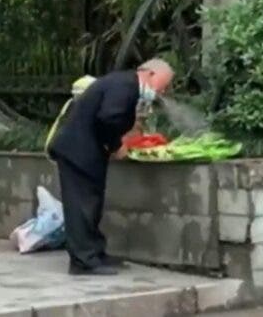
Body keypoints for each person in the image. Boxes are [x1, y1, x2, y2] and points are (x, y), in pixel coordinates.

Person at [48, 59, 174, 275]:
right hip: (77, 152)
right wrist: (116, 145)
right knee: (81, 207)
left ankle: (95, 253)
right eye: (164, 84)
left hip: (86, 153)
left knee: (92, 204)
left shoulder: (125, 84)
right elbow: (108, 118)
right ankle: (83, 261)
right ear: (151, 73)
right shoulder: (126, 85)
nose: (163, 90)